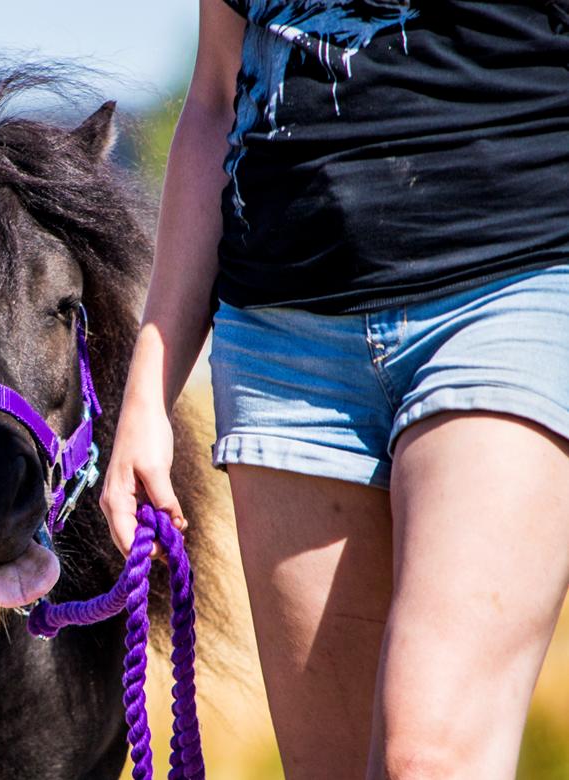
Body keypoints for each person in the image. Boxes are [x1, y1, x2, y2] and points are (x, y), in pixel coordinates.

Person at [99, 1, 569, 776]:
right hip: (283, 343)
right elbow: (217, 94)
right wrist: (148, 392)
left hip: (510, 288)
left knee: (430, 757)